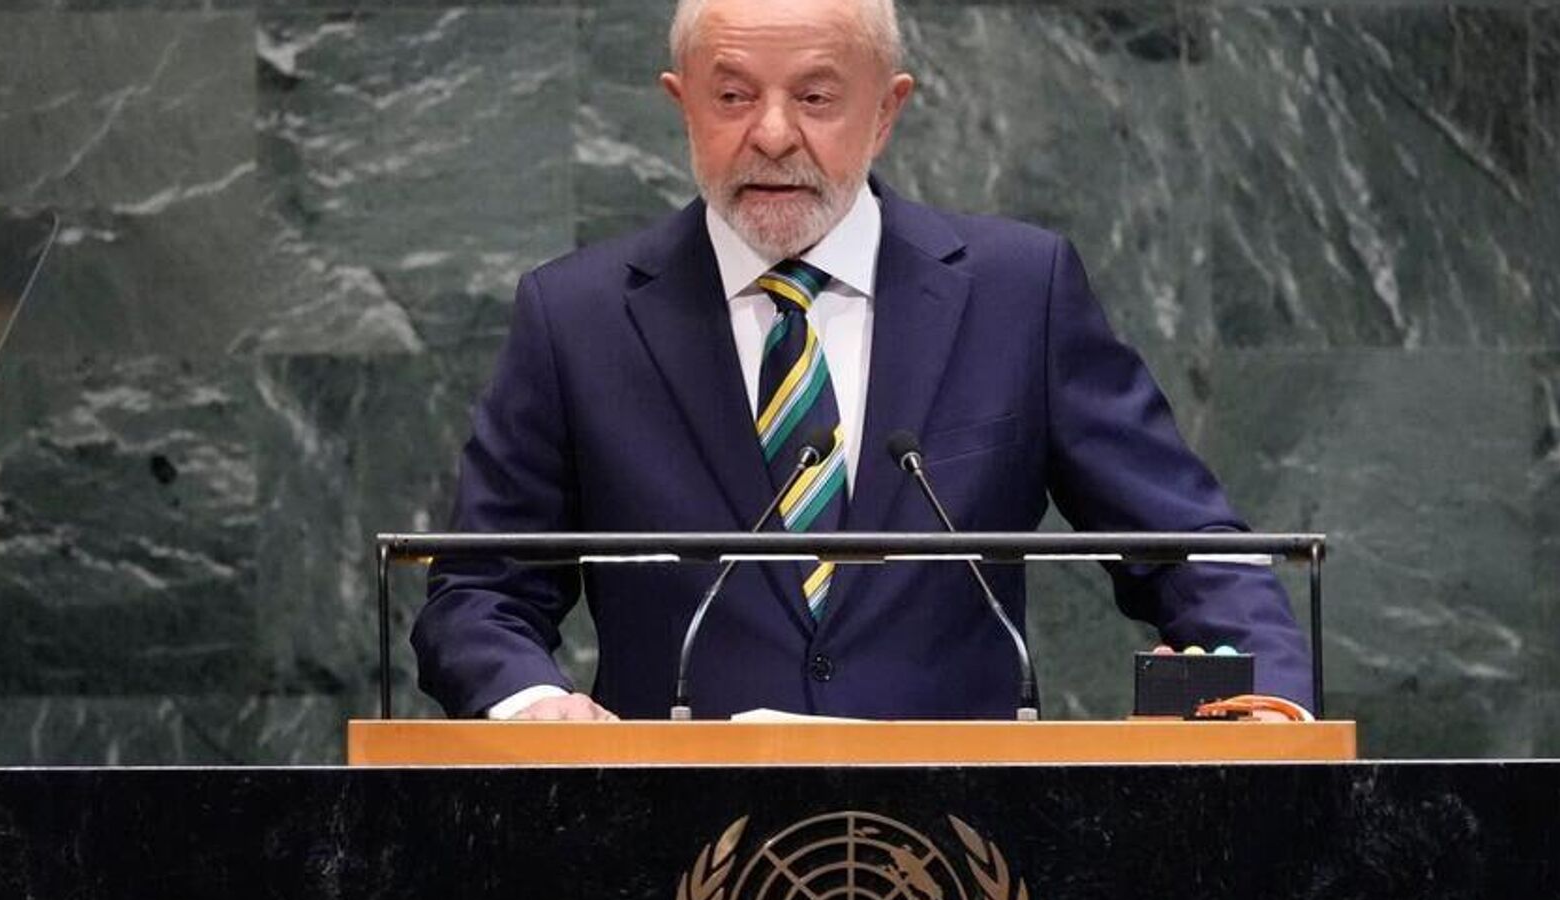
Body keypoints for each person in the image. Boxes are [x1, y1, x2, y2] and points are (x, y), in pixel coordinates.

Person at [412, 0, 1312, 721]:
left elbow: (1191, 549)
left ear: (886, 110)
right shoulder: (577, 318)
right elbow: (479, 593)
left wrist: (1271, 705)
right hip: (675, 853)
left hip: (965, 852)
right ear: (681, 104)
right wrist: (531, 704)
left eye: (815, 98)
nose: (771, 134)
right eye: (732, 97)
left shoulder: (1018, 293)